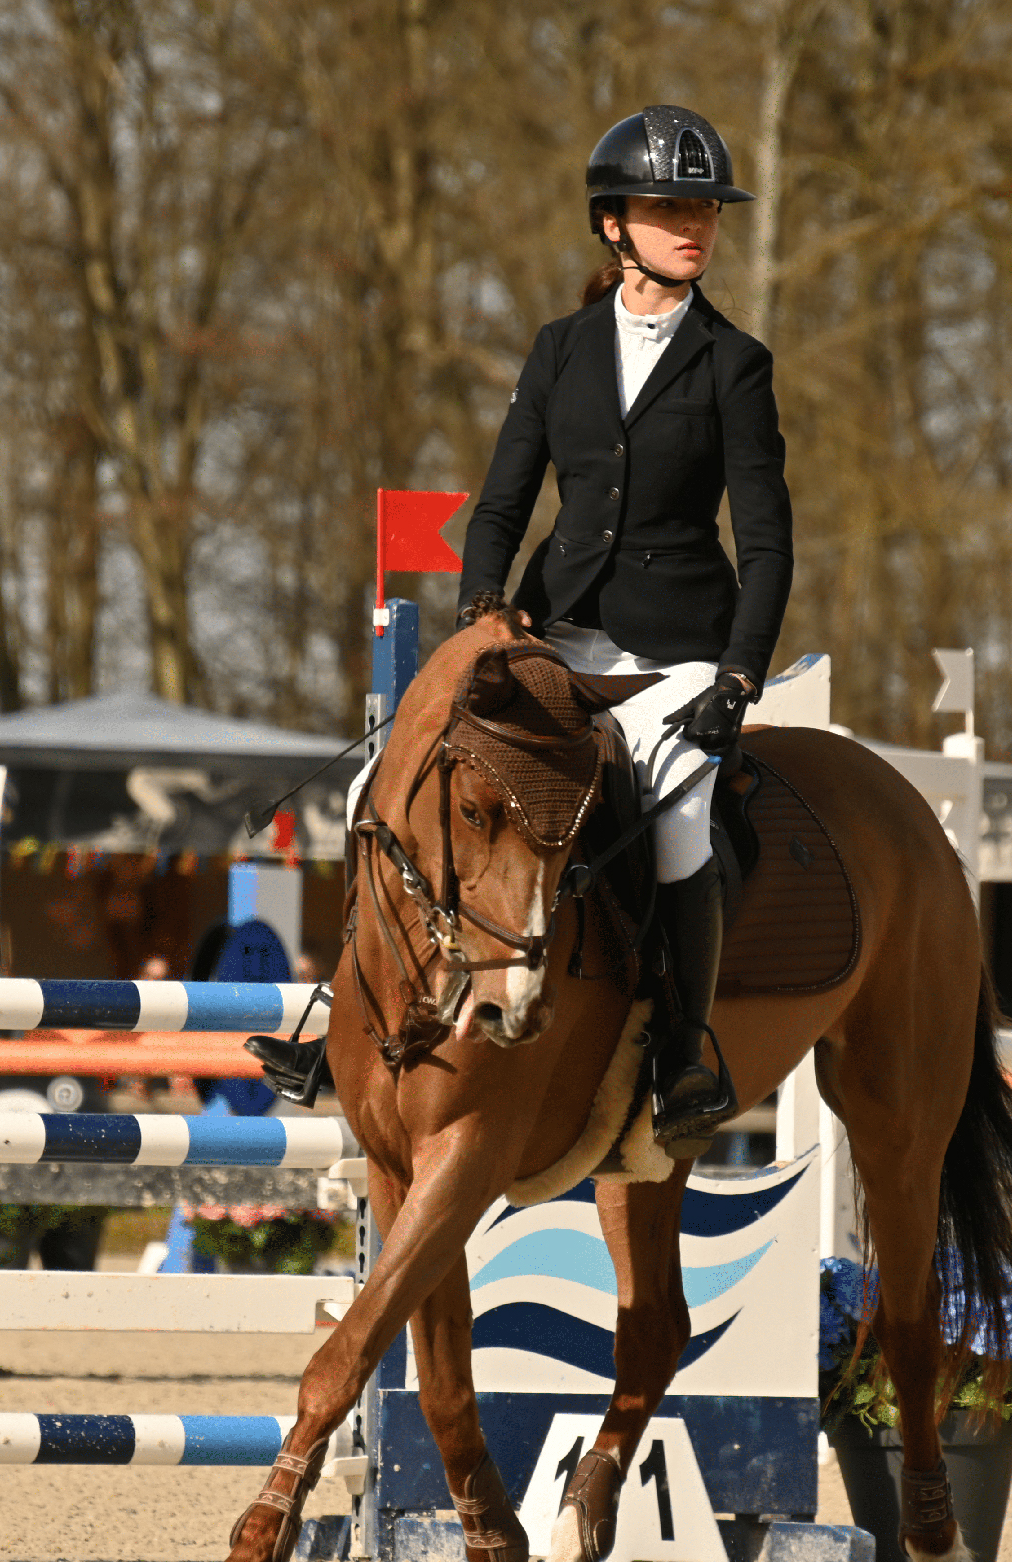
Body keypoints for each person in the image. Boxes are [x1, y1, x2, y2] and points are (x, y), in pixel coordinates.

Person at [254, 108, 788, 1146]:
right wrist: (482, 613)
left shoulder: (735, 363)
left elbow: (767, 542)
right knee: (382, 789)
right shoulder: (561, 350)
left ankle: (682, 1052)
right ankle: (348, 1022)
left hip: (677, 655)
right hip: (556, 638)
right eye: (671, 208)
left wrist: (738, 676)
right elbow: (501, 504)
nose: (695, 226)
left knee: (677, 816)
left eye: (706, 210)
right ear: (612, 224)